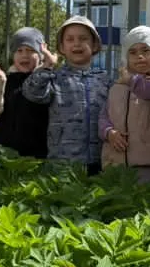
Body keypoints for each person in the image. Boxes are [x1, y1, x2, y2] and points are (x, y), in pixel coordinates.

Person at [22, 14, 109, 173]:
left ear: (95, 45)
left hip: (100, 161)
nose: (77, 43)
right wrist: (47, 66)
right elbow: (32, 93)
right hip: (63, 161)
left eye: (83, 38)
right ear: (61, 47)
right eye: (70, 39)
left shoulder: (104, 80)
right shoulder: (55, 77)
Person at [101, 26, 150, 182]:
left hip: (145, 165)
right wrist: (109, 132)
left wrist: (132, 81)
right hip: (114, 164)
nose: (140, 56)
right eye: (133, 53)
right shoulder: (116, 87)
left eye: (146, 51)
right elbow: (104, 116)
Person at [0, 27, 50, 158]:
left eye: (31, 50)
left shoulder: (45, 79)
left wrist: (46, 68)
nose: (24, 55)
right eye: (19, 50)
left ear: (41, 54)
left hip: (37, 152)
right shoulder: (7, 80)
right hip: (6, 150)